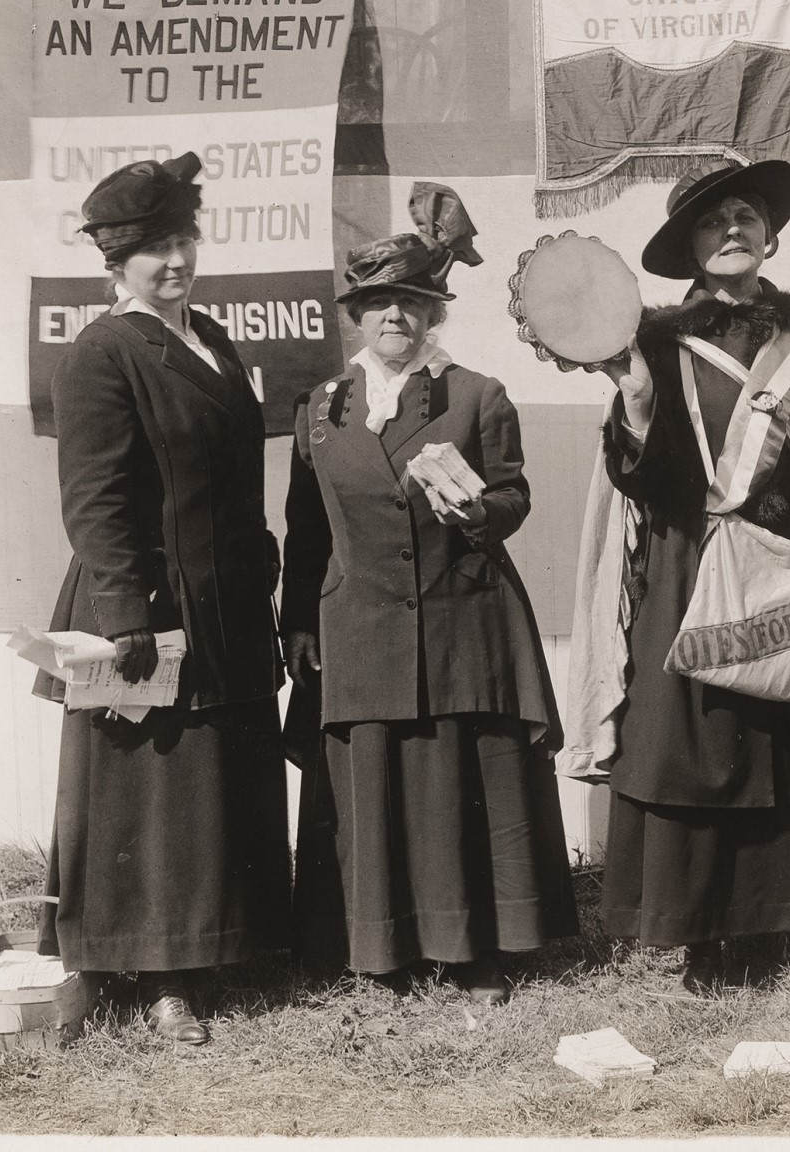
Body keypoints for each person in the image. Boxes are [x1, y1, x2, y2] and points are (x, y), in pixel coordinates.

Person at [594, 160, 790, 994]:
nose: (732, 228)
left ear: (769, 237)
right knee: (705, 746)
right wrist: (634, 403)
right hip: (697, 564)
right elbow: (641, 474)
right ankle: (705, 936)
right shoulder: (655, 343)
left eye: (745, 216)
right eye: (712, 222)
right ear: (692, 250)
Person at [282, 183, 577, 1001]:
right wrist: (296, 625)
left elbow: (514, 497)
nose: (395, 320)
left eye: (412, 305)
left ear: (432, 316)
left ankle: (474, 949)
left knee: (456, 786)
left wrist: (477, 509)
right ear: (356, 316)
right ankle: (380, 951)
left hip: (460, 617)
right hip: (360, 624)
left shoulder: (477, 396)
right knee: (372, 785)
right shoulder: (321, 410)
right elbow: (305, 529)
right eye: (378, 305)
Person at [39, 153, 291, 1044]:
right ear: (116, 261)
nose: (176, 261)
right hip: (145, 602)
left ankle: (222, 946)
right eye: (154, 249)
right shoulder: (104, 352)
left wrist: (262, 562)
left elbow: (236, 473)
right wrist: (124, 614)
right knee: (154, 792)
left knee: (214, 781)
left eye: (184, 239)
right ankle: (158, 984)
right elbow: (95, 497)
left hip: (223, 598)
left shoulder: (212, 339)